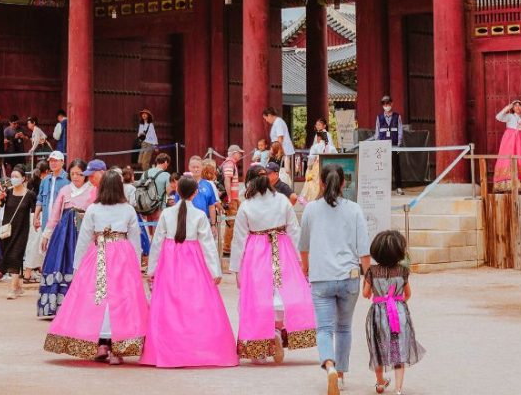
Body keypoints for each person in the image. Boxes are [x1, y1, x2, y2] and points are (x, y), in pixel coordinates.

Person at [44, 169, 147, 364]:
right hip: (122, 255)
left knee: (96, 297)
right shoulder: (128, 210)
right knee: (121, 298)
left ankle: (101, 343)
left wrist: (77, 267)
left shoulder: (93, 209)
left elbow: (83, 239)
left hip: (98, 252)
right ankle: (117, 349)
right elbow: (135, 239)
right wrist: (136, 261)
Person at [142, 173, 237, 368]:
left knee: (170, 304)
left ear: (176, 190)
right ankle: (196, 346)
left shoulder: (167, 214)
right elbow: (208, 245)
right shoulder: (200, 215)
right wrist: (214, 271)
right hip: (193, 260)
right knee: (194, 303)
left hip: (169, 261)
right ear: (195, 193)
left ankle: (169, 348)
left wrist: (152, 269)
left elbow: (157, 242)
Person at [231, 166, 315, 363]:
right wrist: (303, 259)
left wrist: (236, 268)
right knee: (282, 293)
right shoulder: (282, 201)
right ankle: (277, 331)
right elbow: (295, 230)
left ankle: (259, 348)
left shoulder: (247, 205)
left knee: (258, 296)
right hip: (282, 248)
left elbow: (239, 239)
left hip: (255, 252)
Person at [299, 163, 371, 395]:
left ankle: (329, 365)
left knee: (324, 329)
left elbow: (304, 245)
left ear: (320, 182)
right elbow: (364, 251)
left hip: (321, 277)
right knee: (344, 328)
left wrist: (306, 267)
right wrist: (368, 277)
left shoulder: (310, 209)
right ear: (343, 183)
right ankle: (340, 375)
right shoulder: (355, 209)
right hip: (349, 277)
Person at [363, 229, 423, 395]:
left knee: (378, 346)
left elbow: (365, 294)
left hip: (378, 314)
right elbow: (407, 294)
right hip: (398, 313)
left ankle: (380, 383)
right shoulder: (403, 271)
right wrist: (396, 303)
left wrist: (377, 295)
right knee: (398, 349)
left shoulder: (372, 272)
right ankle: (398, 389)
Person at [38, 158, 98, 319]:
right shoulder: (65, 190)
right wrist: (47, 234)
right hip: (63, 235)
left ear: (85, 175)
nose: (76, 177)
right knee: (60, 264)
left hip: (84, 234)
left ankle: (82, 306)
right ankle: (57, 305)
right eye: (72, 173)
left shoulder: (93, 191)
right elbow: (55, 214)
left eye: (79, 174)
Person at [0, 164, 36, 299]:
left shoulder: (30, 194)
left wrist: (36, 222)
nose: (13, 179)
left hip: (22, 230)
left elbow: (34, 211)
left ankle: (13, 288)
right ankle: (19, 286)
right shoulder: (7, 192)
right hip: (7, 230)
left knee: (16, 255)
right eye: (12, 176)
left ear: (23, 179)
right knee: (10, 256)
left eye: (16, 177)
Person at [493, 100, 521, 193]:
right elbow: (498, 117)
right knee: (509, 159)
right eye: (515, 106)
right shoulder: (510, 117)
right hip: (510, 142)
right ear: (513, 108)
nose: (518, 107)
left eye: (520, 106)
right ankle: (507, 184)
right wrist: (508, 107)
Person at [372, 96, 405, 196]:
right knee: (383, 166)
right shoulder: (379, 117)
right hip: (382, 146)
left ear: (392, 104)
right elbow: (377, 132)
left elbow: (400, 130)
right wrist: (377, 144)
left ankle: (398, 187)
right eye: (384, 104)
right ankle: (383, 187)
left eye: (388, 104)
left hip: (394, 144)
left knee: (396, 166)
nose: (386, 106)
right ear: (382, 105)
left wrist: (399, 144)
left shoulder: (397, 116)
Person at [300, 119, 338, 205]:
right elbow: (334, 153)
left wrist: (309, 167)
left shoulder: (318, 144)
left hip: (317, 164)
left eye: (319, 124)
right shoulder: (329, 146)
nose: (317, 126)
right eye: (316, 125)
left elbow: (312, 156)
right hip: (327, 163)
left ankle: (314, 199)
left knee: (315, 182)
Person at [23, 163, 48, 283]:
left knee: (34, 243)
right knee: (37, 244)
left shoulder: (31, 182)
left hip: (32, 215)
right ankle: (28, 273)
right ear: (46, 171)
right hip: (40, 215)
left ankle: (37, 270)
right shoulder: (45, 182)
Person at [178, 156, 217, 228]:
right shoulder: (182, 183)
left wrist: (213, 224)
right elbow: (176, 204)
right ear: (189, 167)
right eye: (193, 167)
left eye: (198, 167)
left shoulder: (208, 185)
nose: (196, 169)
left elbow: (211, 206)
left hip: (203, 222)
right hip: (186, 223)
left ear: (202, 167)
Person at [263, 107, 295, 177]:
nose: (266, 120)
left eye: (266, 118)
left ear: (269, 115)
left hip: (280, 149)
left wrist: (275, 150)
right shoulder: (277, 122)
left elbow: (280, 138)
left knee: (275, 170)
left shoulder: (278, 122)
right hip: (278, 149)